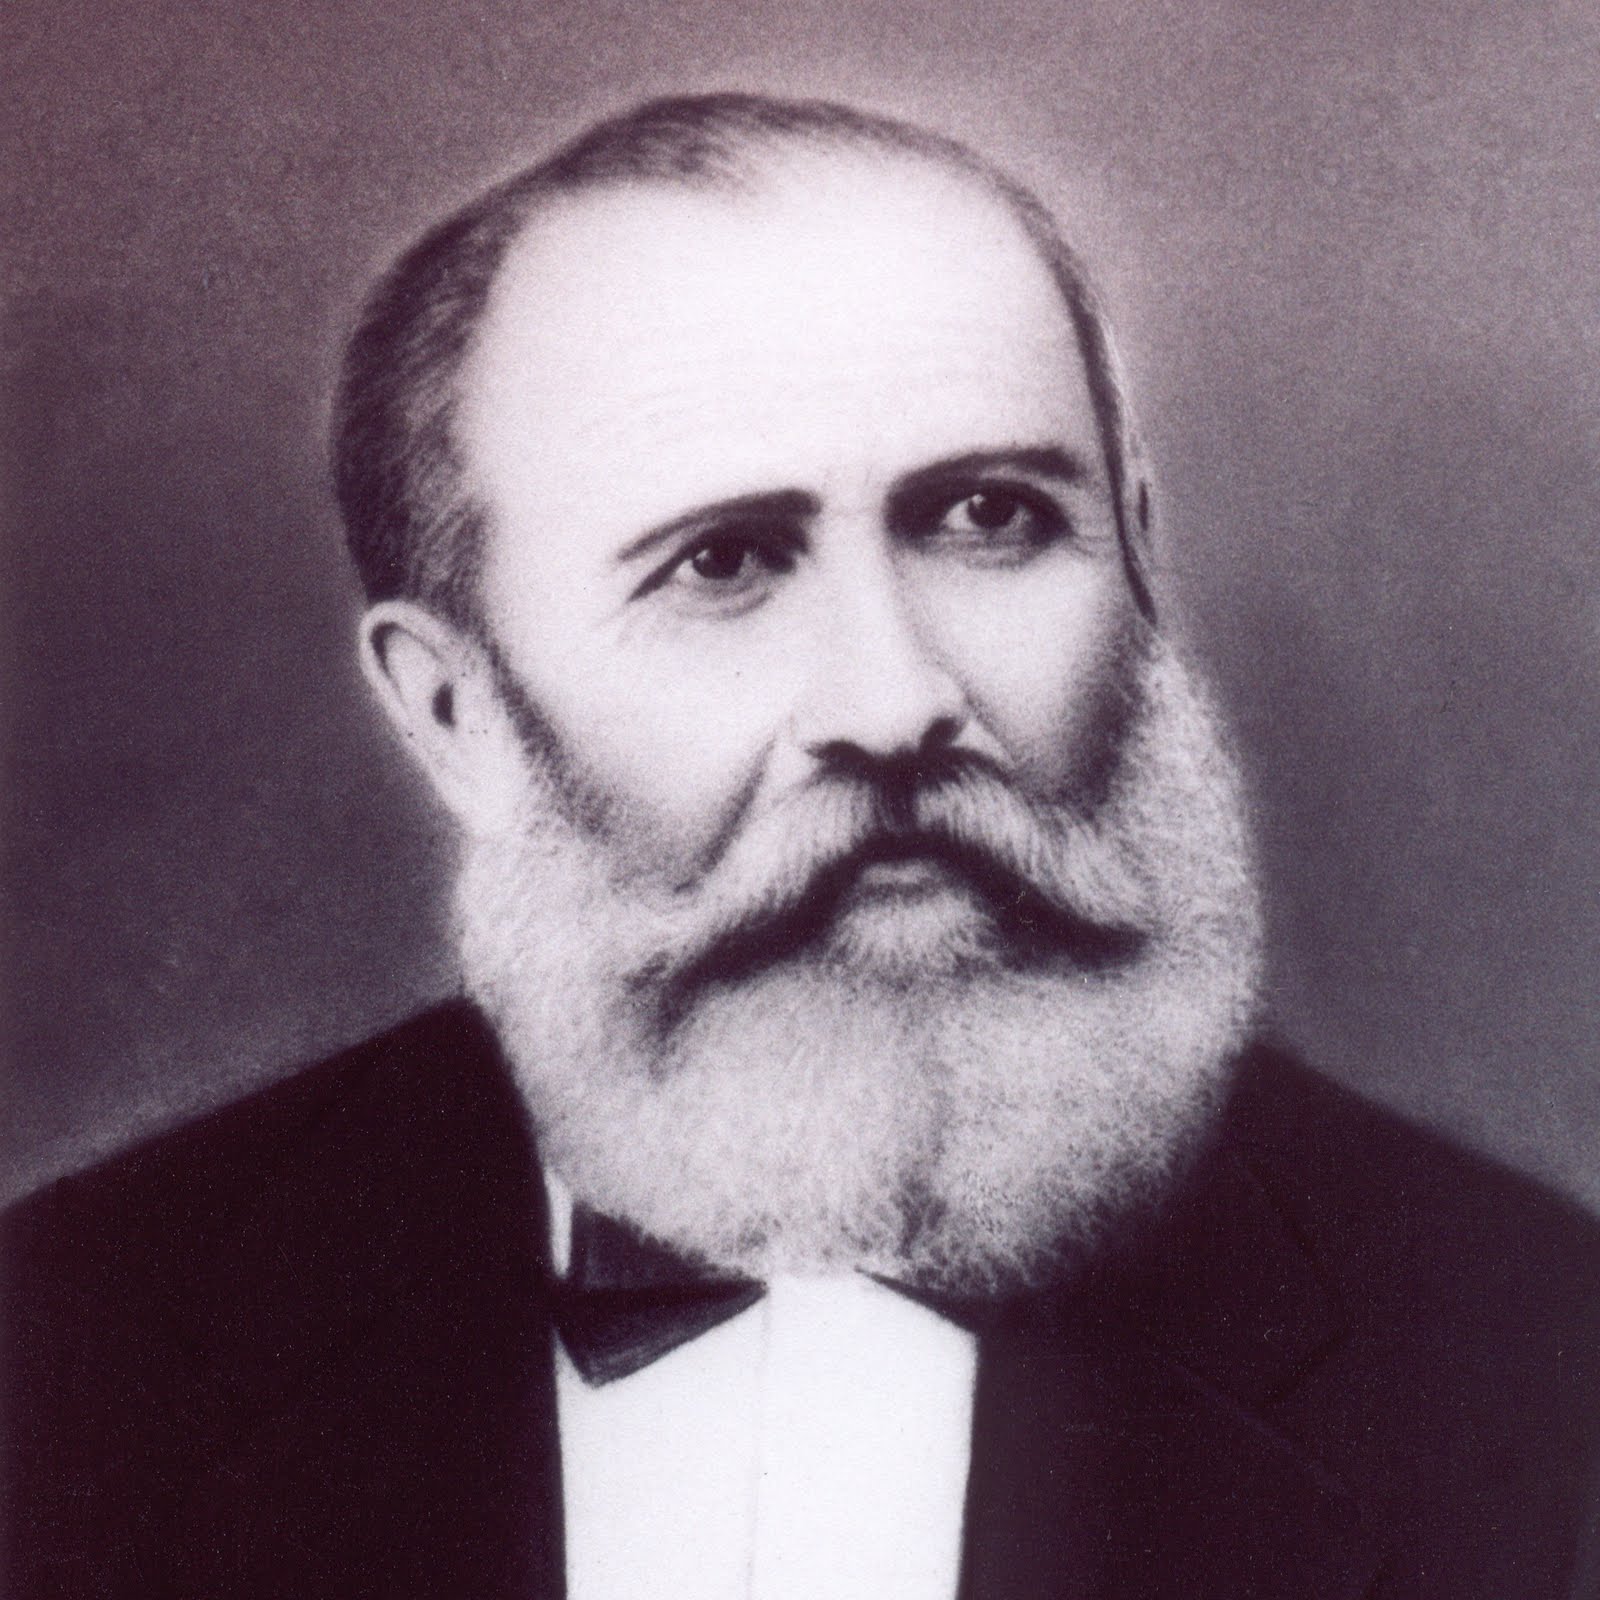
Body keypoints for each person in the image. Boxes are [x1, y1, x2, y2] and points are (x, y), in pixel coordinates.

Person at [4, 92, 1598, 1600]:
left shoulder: (1538, 1352)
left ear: (1141, 555)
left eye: (991, 518)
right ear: (457, 713)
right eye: (725, 561)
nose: (895, 703)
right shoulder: (68, 1353)